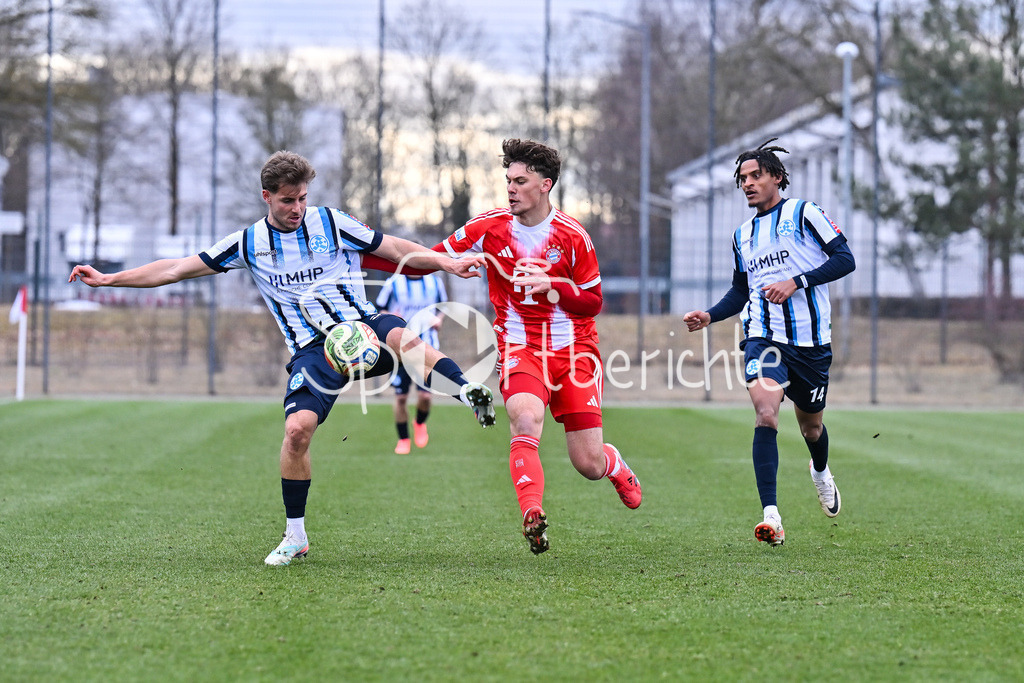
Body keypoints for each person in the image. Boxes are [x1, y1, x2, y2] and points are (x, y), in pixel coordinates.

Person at [68, 150, 495, 566]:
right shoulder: (248, 243)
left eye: (303, 198)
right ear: (267, 196)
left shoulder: (331, 222)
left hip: (361, 325)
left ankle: (469, 391)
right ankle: (296, 537)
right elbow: (176, 269)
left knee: (401, 333)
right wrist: (109, 279)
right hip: (313, 351)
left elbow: (393, 247)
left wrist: (445, 261)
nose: (297, 208)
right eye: (288, 199)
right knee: (296, 431)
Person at [436, 138, 642, 555]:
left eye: (520, 180)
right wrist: (368, 251)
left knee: (588, 464)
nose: (510, 188)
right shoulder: (488, 227)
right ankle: (533, 515)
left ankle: (614, 465)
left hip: (574, 352)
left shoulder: (573, 236)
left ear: (545, 185)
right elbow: (427, 255)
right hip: (519, 347)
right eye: (507, 180)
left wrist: (556, 286)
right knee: (525, 420)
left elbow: (593, 302)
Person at [683, 139, 856, 547]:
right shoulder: (742, 235)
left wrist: (796, 281)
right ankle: (772, 516)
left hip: (812, 343)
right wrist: (710, 315)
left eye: (755, 175)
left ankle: (819, 470)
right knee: (765, 413)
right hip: (762, 337)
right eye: (742, 178)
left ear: (776, 177)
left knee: (812, 428)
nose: (748, 183)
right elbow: (740, 292)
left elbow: (845, 258)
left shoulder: (804, 212)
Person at [374, 272, 448, 454]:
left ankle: (420, 423)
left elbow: (443, 306)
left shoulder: (434, 282)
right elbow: (379, 308)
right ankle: (404, 439)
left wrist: (438, 319)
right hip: (398, 349)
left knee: (425, 397)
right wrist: (390, 315)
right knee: (401, 398)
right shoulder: (393, 283)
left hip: (425, 347)